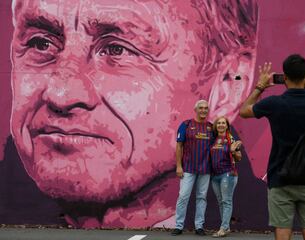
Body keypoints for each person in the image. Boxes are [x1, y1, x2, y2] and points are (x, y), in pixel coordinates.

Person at [7, 0, 259, 228]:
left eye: (117, 50)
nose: (60, 93)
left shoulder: (265, 226)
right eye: (41, 43)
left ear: (226, 88)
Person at [239, 54, 305, 240]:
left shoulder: (274, 103)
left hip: (280, 178)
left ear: (284, 77)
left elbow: (245, 111)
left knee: (282, 231)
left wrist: (260, 87)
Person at [171, 100, 212, 236]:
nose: (203, 110)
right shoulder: (186, 125)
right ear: (195, 109)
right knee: (183, 196)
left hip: (205, 169)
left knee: (201, 197)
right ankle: (178, 226)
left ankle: (199, 226)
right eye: (201, 108)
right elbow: (179, 146)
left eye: (206, 108)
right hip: (188, 168)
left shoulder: (211, 128)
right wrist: (178, 166)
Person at [210, 116, 241, 237]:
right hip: (215, 176)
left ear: (227, 126)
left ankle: (223, 228)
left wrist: (234, 151)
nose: (221, 125)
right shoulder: (213, 139)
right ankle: (226, 227)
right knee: (221, 202)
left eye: (223, 123)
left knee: (226, 201)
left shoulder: (231, 139)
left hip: (228, 174)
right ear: (216, 126)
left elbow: (239, 158)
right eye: (219, 123)